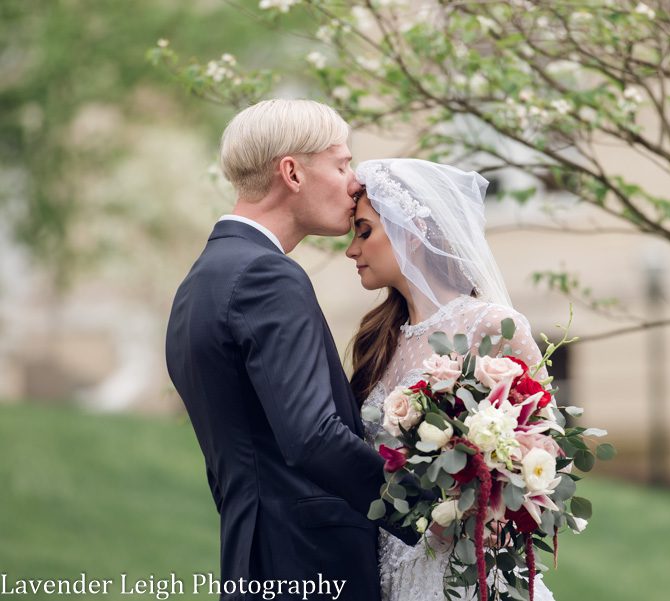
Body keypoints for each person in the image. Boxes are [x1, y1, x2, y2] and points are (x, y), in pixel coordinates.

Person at [165, 99, 419, 601]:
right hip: (309, 564)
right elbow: (314, 437)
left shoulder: (201, 281)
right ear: (292, 173)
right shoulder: (266, 276)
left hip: (256, 554)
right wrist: (427, 510)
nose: (354, 182)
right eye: (342, 163)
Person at [345, 158, 556, 601]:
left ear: (411, 231)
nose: (352, 250)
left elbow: (547, 445)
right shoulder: (374, 340)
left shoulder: (493, 326)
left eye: (364, 231)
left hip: (470, 565)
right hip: (387, 565)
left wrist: (501, 504)